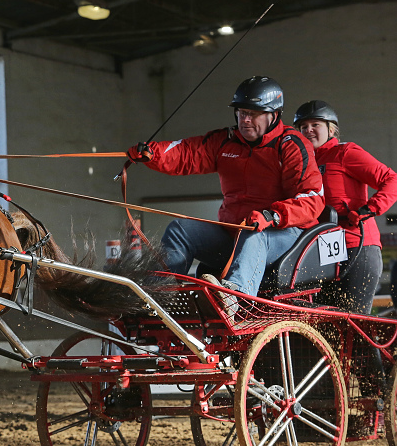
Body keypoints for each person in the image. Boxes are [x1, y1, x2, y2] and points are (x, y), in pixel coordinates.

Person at [127, 76, 324, 313]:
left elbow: (312, 198)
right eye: (241, 113)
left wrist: (272, 216)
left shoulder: (291, 144)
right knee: (180, 230)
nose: (245, 120)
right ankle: (158, 297)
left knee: (254, 233)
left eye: (253, 114)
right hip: (234, 232)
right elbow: (188, 153)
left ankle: (234, 299)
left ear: (274, 115)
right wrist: (153, 154)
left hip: (282, 234)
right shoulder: (225, 141)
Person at [293, 100, 397, 314]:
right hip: (321, 249)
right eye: (304, 127)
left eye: (315, 125)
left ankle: (369, 349)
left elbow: (391, 179)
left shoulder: (345, 152)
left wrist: (370, 208)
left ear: (331, 129)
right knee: (328, 323)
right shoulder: (302, 163)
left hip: (358, 245)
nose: (309, 130)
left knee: (355, 322)